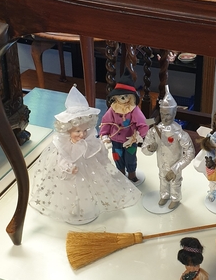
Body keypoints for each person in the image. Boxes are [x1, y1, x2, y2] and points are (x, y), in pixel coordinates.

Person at [29, 85, 141, 224]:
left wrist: (103, 153)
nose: (82, 134)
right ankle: (73, 210)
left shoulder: (89, 139)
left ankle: (87, 208)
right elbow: (61, 159)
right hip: (73, 172)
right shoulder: (63, 144)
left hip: (88, 169)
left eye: (85, 130)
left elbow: (99, 153)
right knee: (70, 190)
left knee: (89, 188)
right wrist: (68, 167)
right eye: (77, 131)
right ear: (68, 129)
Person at [141, 86, 195, 210]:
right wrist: (150, 148)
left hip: (175, 164)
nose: (165, 118)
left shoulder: (180, 134)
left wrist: (176, 168)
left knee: (175, 181)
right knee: (162, 179)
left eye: (168, 115)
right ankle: (164, 195)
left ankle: (175, 198)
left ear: (175, 113)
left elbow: (190, 153)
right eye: (162, 114)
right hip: (161, 164)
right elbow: (144, 148)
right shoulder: (155, 130)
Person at [99, 69, 149, 183]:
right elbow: (106, 122)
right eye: (120, 96)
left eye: (126, 96)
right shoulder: (113, 108)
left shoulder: (134, 109)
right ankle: (120, 174)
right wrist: (104, 135)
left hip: (130, 140)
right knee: (117, 156)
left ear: (131, 96)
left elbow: (144, 124)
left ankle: (132, 175)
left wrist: (138, 136)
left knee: (130, 158)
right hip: (115, 139)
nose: (123, 98)